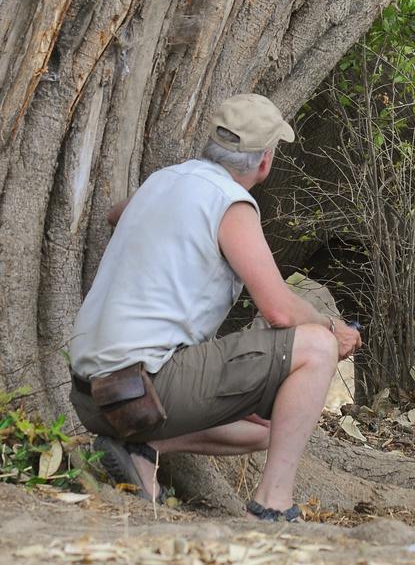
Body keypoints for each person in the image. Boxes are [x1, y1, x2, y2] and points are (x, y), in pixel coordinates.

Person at [69, 93, 361, 521]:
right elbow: (279, 310)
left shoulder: (163, 181)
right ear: (265, 161)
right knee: (316, 347)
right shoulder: (231, 203)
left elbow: (117, 215)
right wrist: (332, 328)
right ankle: (274, 505)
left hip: (92, 397)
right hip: (147, 383)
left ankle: (140, 448)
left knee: (269, 428)